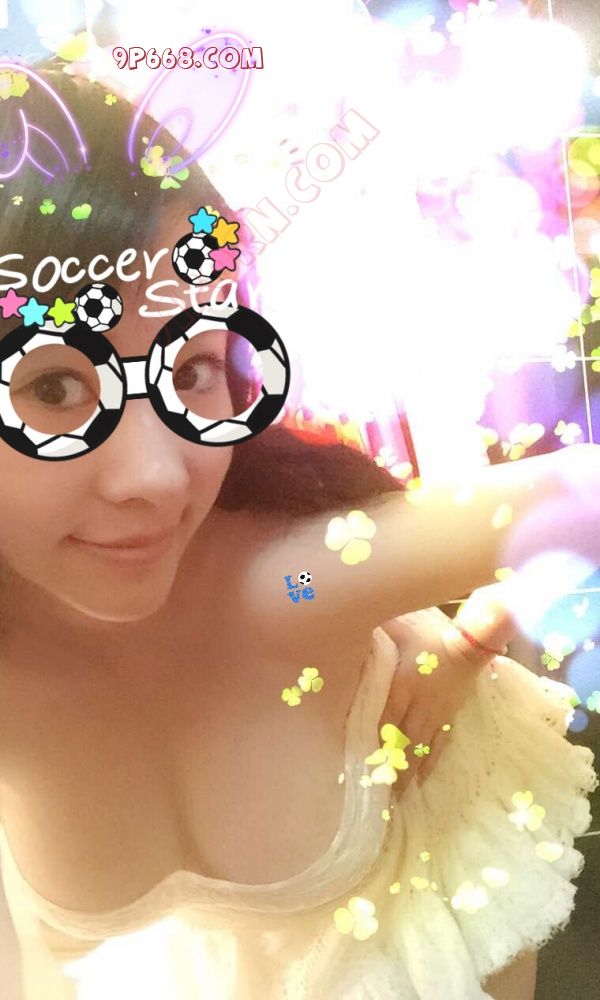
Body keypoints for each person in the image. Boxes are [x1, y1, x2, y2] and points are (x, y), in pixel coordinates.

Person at [0, 64, 597, 1000]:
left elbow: (580, 497)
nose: (159, 476)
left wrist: (477, 629)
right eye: (52, 385)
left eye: (190, 369)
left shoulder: (287, 586)